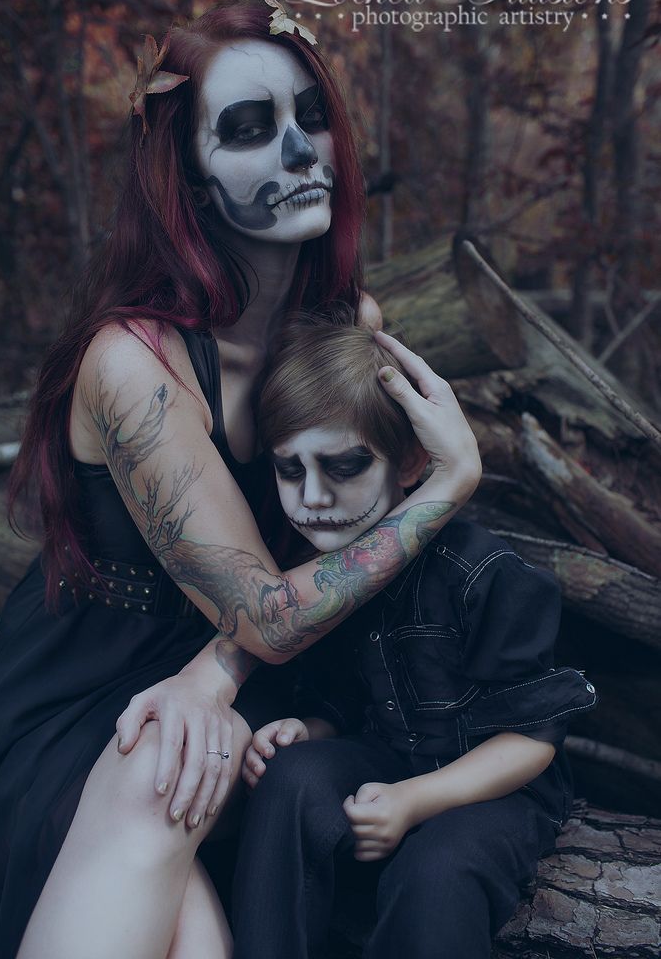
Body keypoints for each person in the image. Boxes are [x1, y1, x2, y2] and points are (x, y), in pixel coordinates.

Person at [0, 2, 481, 959]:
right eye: (248, 130)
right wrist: (444, 486)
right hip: (88, 693)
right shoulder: (132, 365)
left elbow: (287, 582)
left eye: (310, 115)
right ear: (195, 181)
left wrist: (214, 676)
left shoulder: (344, 324)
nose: (299, 150)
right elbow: (272, 610)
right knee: (171, 821)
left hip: (240, 683)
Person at [232, 316, 598, 959]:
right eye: (291, 470)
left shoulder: (480, 573)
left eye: (344, 466)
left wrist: (412, 801)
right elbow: (345, 701)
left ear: (410, 461)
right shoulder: (327, 582)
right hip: (387, 758)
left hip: (492, 788)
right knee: (291, 777)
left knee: (437, 870)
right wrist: (307, 731)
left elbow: (534, 739)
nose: (313, 497)